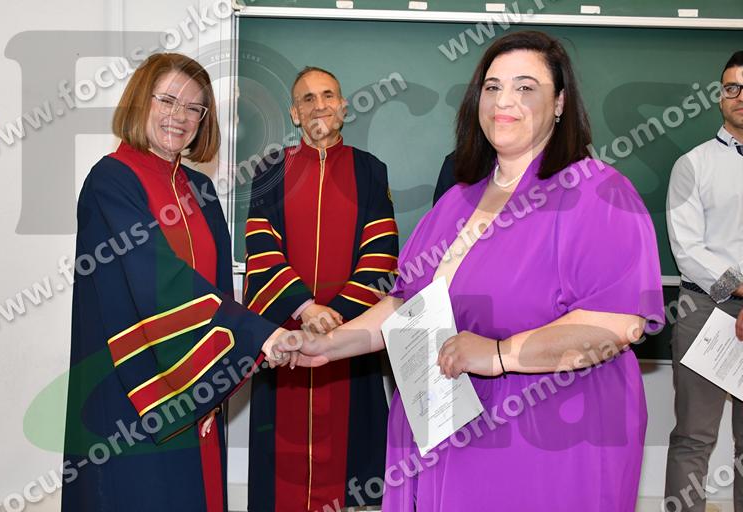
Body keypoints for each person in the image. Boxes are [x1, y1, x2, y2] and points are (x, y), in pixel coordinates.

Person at [278, 31, 666, 511]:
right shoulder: (458, 200)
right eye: (492, 87)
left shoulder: (598, 193)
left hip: (548, 442)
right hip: (445, 427)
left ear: (560, 103)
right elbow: (406, 306)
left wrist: (499, 354)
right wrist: (329, 345)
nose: (504, 101)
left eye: (525, 87)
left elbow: (617, 325)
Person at [61, 53, 287, 512]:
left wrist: (222, 367)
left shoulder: (201, 191)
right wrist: (258, 334)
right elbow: (156, 277)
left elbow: (217, 289)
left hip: (194, 386)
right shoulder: (111, 181)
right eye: (167, 100)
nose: (179, 116)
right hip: (131, 389)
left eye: (193, 108)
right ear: (140, 101)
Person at [244, 67, 398, 511]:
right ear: (295, 114)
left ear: (343, 107)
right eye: (307, 99)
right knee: (280, 479)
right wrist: (305, 308)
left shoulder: (370, 171)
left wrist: (335, 319)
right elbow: (260, 246)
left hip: (350, 340)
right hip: (287, 338)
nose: (319, 106)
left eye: (328, 95)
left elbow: (381, 252)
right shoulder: (271, 170)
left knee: (351, 476)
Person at [664, 51, 743, 512]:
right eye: (732, 87)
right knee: (694, 436)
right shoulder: (692, 165)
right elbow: (688, 252)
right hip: (706, 309)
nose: (740, 96)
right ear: (720, 96)